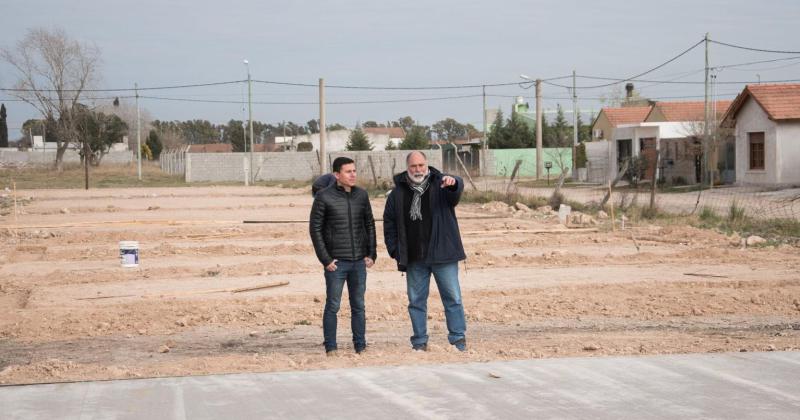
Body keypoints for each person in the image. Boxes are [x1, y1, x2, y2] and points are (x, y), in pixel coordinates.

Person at [383, 151, 468, 352]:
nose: (418, 169)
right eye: (413, 166)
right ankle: (419, 341)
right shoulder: (398, 193)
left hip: (443, 255)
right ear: (407, 167)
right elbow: (389, 223)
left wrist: (453, 182)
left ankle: (457, 339)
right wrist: (395, 250)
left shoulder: (441, 185)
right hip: (414, 258)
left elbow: (456, 189)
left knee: (453, 298)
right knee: (416, 302)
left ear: (427, 165)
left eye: (421, 165)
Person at [309, 157, 376, 356]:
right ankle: (331, 347)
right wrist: (326, 259)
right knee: (333, 305)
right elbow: (315, 229)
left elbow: (370, 225)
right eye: (348, 171)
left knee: (359, 306)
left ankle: (360, 346)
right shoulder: (324, 197)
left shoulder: (362, 196)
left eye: (354, 170)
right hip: (336, 264)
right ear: (337, 175)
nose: (353, 174)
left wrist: (372, 253)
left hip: (359, 263)